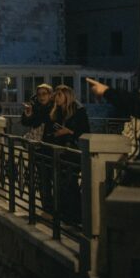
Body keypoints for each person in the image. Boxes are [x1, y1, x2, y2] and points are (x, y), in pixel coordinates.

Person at [42, 85, 90, 223]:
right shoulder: (56, 112)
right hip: (58, 151)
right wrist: (55, 134)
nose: (56, 98)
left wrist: (69, 132)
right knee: (60, 184)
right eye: (55, 95)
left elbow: (85, 131)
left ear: (67, 96)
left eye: (59, 96)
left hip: (72, 152)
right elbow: (48, 132)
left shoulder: (78, 111)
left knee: (70, 183)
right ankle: (64, 213)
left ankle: (74, 215)